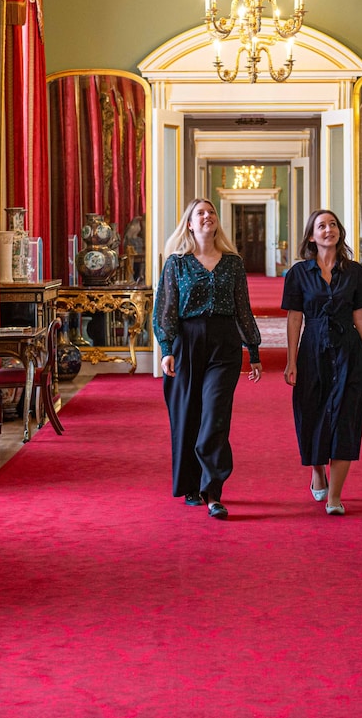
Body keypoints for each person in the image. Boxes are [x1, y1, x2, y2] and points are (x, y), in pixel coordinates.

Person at [154, 199, 262, 520]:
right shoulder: (177, 263)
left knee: (215, 414)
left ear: (217, 222)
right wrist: (167, 348)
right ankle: (190, 482)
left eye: (211, 212)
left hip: (224, 343)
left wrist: (253, 351)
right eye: (200, 213)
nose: (206, 216)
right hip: (188, 341)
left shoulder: (233, 263)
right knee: (188, 414)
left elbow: (243, 308)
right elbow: (166, 308)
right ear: (189, 223)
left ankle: (212, 490)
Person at [282, 209, 362, 516]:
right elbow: (295, 318)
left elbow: (360, 315)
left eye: (333, 224)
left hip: (348, 351)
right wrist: (291, 361)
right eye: (321, 226)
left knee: (345, 418)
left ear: (340, 232)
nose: (328, 230)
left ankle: (334, 496)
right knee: (311, 414)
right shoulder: (298, 274)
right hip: (312, 351)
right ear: (312, 236)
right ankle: (317, 470)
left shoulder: (355, 273)